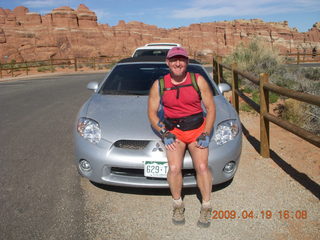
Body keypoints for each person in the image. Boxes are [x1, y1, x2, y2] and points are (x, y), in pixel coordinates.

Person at [148, 47, 216, 227]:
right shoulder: (160, 84)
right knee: (174, 167)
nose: (178, 63)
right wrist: (164, 132)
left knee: (201, 166)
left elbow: (211, 108)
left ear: (187, 62)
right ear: (168, 63)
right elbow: (152, 113)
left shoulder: (198, 80)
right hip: (174, 132)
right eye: (174, 60)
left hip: (196, 130)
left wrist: (206, 133)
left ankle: (206, 205)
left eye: (182, 59)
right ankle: (178, 204)